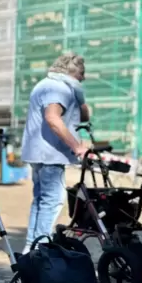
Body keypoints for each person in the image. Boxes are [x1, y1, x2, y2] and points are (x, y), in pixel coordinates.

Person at [20, 52, 90, 254]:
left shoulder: (46, 84)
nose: (83, 78)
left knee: (41, 200)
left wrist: (79, 96)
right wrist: (77, 146)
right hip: (50, 153)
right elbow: (53, 118)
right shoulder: (58, 88)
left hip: (38, 152)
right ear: (71, 71)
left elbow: (84, 115)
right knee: (52, 200)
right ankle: (41, 247)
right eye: (82, 73)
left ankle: (31, 245)